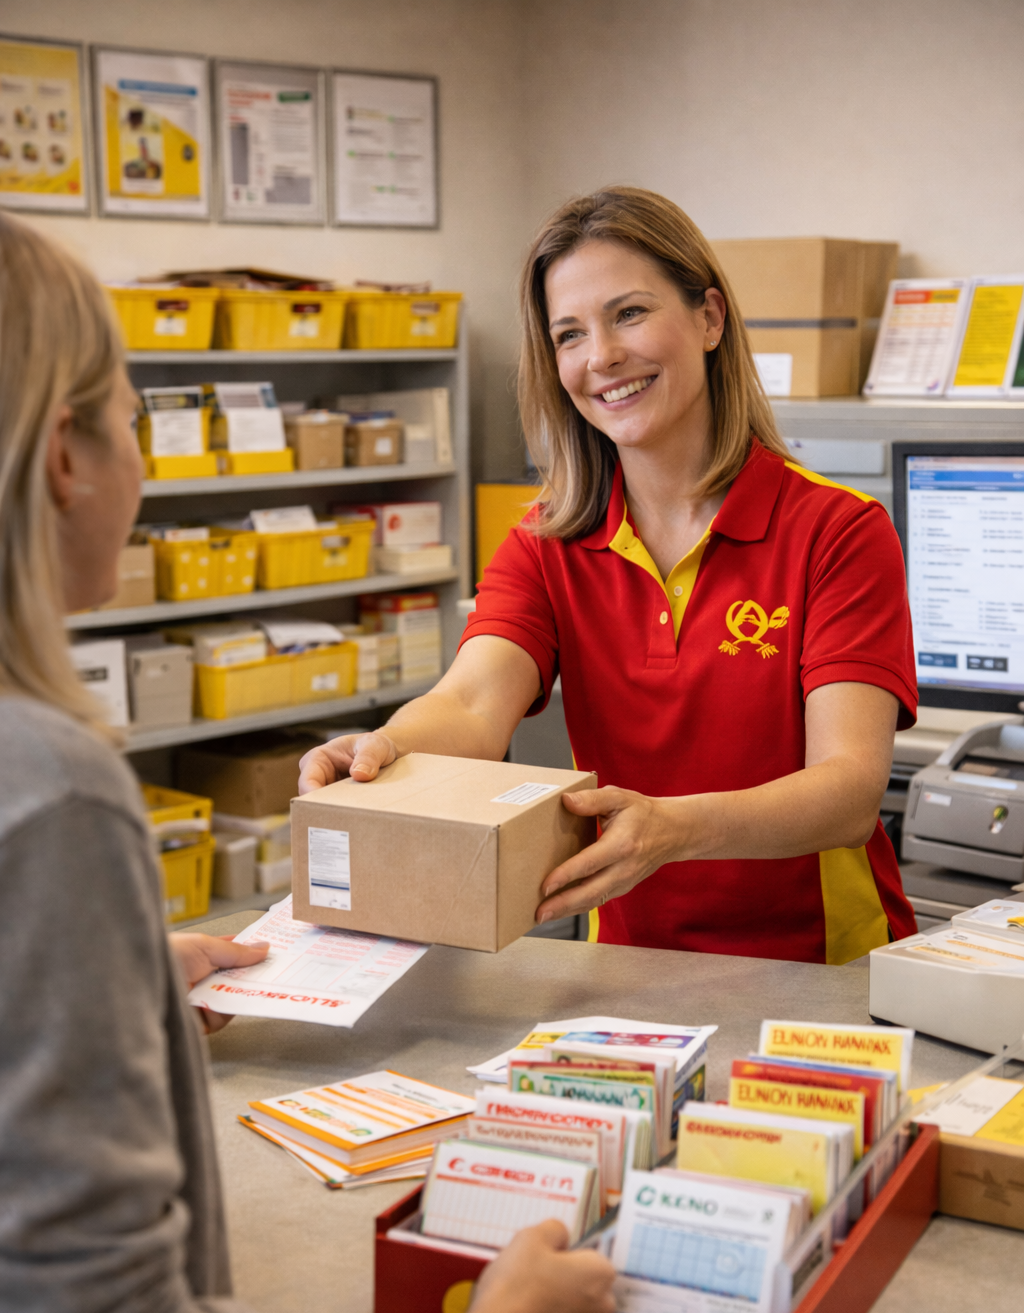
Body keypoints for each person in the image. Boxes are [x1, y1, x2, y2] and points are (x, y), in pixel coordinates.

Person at [0, 212, 615, 1313]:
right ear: (63, 456)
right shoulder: (49, 795)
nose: (142, 459)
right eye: (126, 417)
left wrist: (134, 987)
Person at [300, 187, 917, 966]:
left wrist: (674, 829)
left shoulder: (837, 530)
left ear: (710, 319)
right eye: (569, 334)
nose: (601, 357)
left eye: (628, 313)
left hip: (826, 971)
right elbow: (468, 701)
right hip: (625, 969)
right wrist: (380, 751)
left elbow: (848, 791)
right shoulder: (546, 542)